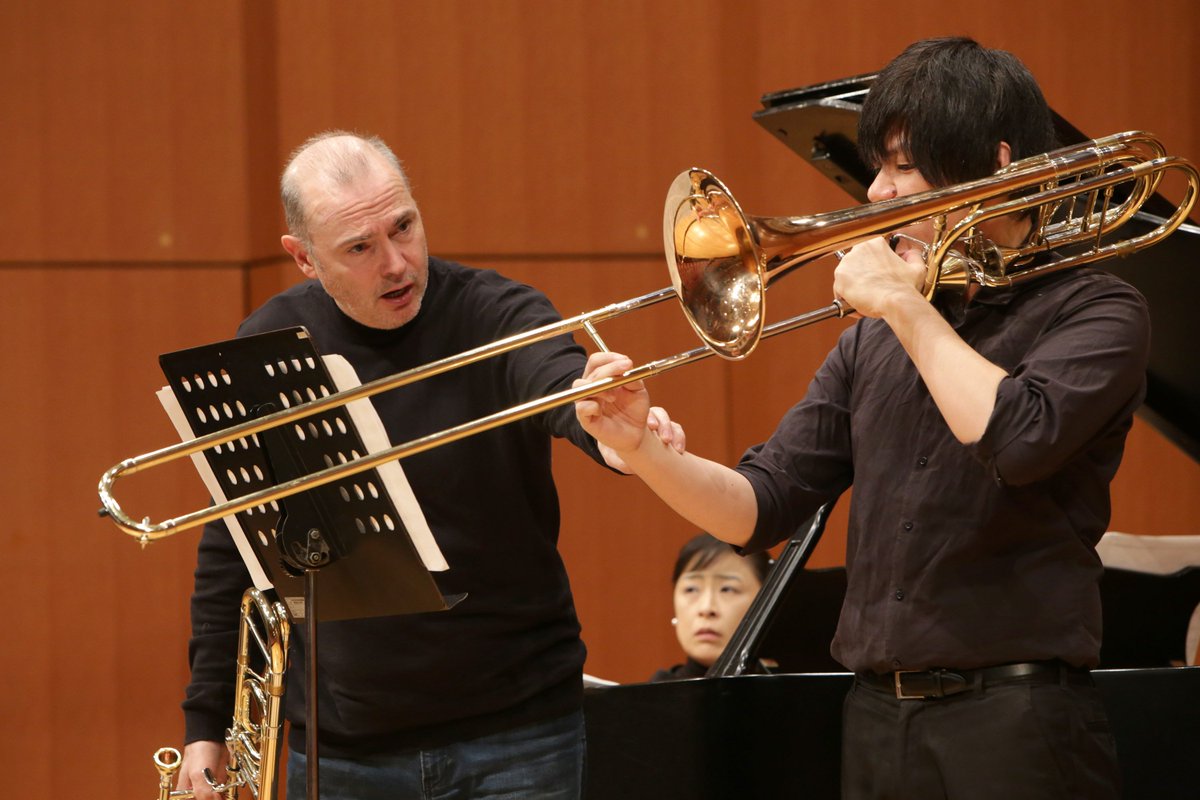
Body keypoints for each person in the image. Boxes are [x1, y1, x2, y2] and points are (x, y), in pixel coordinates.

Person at [576, 37, 1147, 799]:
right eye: (877, 166)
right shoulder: (872, 341)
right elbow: (758, 507)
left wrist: (906, 307)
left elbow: (1017, 439)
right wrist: (644, 450)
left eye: (903, 166)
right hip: (878, 718)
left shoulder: (1098, 310)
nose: (877, 192)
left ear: (998, 163)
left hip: (1019, 719)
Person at [176, 131, 683, 800]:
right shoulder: (270, 345)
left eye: (404, 227)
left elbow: (556, 380)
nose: (397, 263)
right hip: (343, 748)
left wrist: (615, 437)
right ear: (304, 258)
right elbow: (234, 543)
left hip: (521, 733)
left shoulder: (496, 311)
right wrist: (206, 724)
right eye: (360, 248)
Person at [650, 533, 771, 682]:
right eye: (691, 589)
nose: (706, 608)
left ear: (767, 599)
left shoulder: (789, 692)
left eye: (727, 589)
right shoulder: (652, 694)